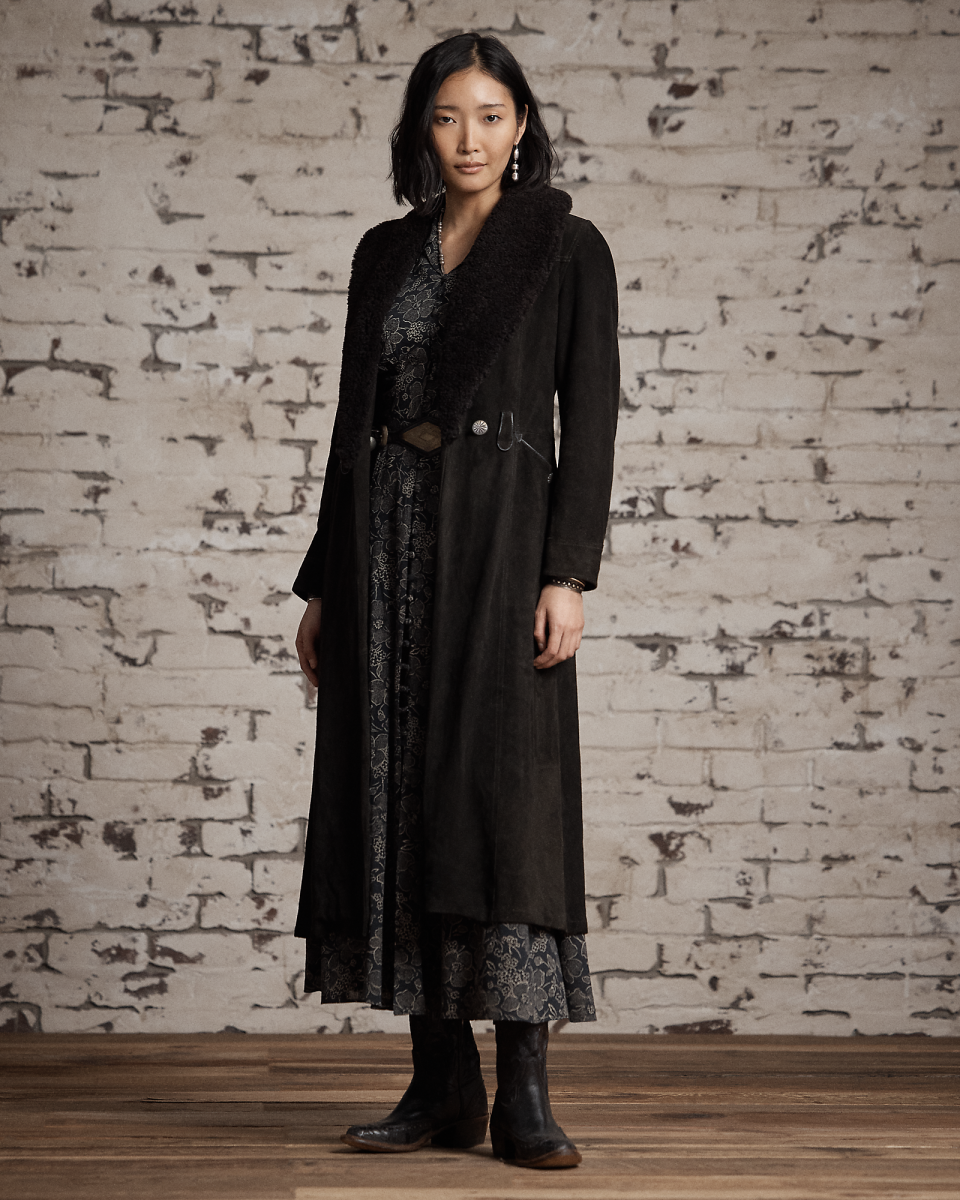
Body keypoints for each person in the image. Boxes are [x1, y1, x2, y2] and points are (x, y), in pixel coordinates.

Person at [292, 32, 619, 1170]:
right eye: (446, 116)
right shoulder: (385, 251)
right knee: (396, 797)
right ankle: (441, 1085)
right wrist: (325, 582)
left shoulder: (566, 246)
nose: (468, 138)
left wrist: (567, 572)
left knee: (504, 804)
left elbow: (591, 420)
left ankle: (523, 1090)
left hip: (500, 548)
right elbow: (352, 424)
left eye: (489, 114)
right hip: (383, 547)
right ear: (420, 130)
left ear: (521, 125)